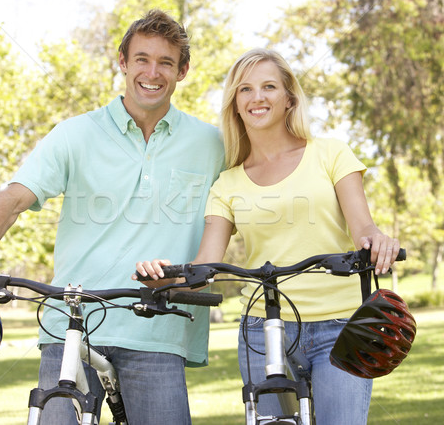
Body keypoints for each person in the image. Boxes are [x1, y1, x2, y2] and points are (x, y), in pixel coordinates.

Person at [0, 10, 225, 425]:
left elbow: (261, 183)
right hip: (72, 327)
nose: (152, 72)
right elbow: (14, 198)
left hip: (160, 329)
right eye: (141, 58)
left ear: (183, 71)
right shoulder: (74, 134)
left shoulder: (212, 144)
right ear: (122, 62)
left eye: (165, 62)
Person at [135, 48, 400, 425]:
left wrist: (379, 241)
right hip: (262, 329)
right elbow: (205, 267)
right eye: (245, 89)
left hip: (340, 327)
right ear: (235, 104)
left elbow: (364, 231)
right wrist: (166, 277)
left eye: (269, 87)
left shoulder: (330, 154)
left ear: (289, 98)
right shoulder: (227, 183)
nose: (257, 97)